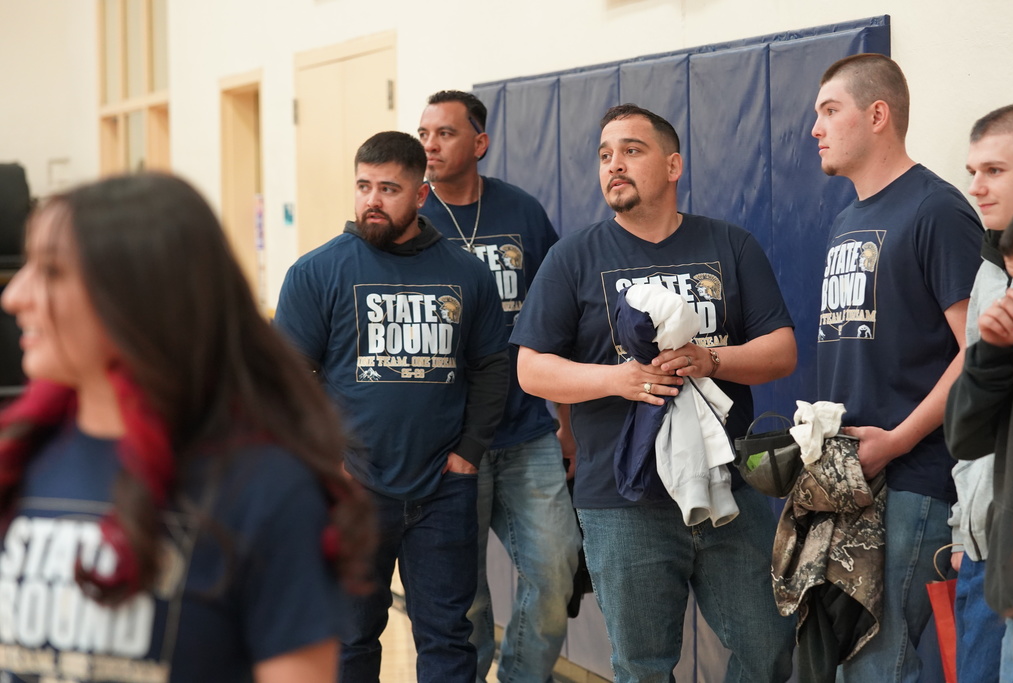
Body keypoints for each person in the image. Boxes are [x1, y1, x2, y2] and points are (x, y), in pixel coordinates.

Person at [0, 172, 376, 682]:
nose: (15, 296)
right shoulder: (21, 459)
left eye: (51, 271)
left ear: (134, 296)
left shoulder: (265, 490)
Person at [512, 103, 798, 683]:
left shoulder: (729, 244)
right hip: (623, 502)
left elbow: (781, 350)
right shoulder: (574, 256)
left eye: (631, 150)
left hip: (728, 488)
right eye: (604, 155)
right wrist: (617, 379)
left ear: (673, 166)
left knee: (768, 647)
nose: (614, 164)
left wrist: (711, 359)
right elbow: (531, 369)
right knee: (642, 667)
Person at [274, 131, 508, 682]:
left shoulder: (466, 273)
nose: (372, 200)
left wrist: (469, 453)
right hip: (352, 488)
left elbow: (492, 367)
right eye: (363, 186)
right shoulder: (317, 272)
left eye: (389, 188)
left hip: (443, 487)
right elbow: (284, 380)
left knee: (448, 637)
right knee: (350, 638)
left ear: (421, 195)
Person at [811, 54, 983, 681]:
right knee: (854, 662)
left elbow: (978, 352)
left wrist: (899, 440)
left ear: (877, 114)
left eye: (830, 111)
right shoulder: (845, 220)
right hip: (852, 477)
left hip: (914, 478)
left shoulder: (936, 209)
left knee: (882, 665)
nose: (816, 128)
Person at [417, 89, 580, 683]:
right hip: (448, 442)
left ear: (480, 142)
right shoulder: (414, 218)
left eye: (445, 133)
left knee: (557, 570)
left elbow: (558, 324)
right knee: (464, 598)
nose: (430, 145)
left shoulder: (521, 212)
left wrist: (566, 424)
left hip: (526, 432)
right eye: (424, 133)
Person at [944, 103, 1013, 683]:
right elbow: (968, 434)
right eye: (973, 171)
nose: (975, 187)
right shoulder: (992, 270)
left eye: (993, 170)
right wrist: (963, 525)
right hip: (992, 553)